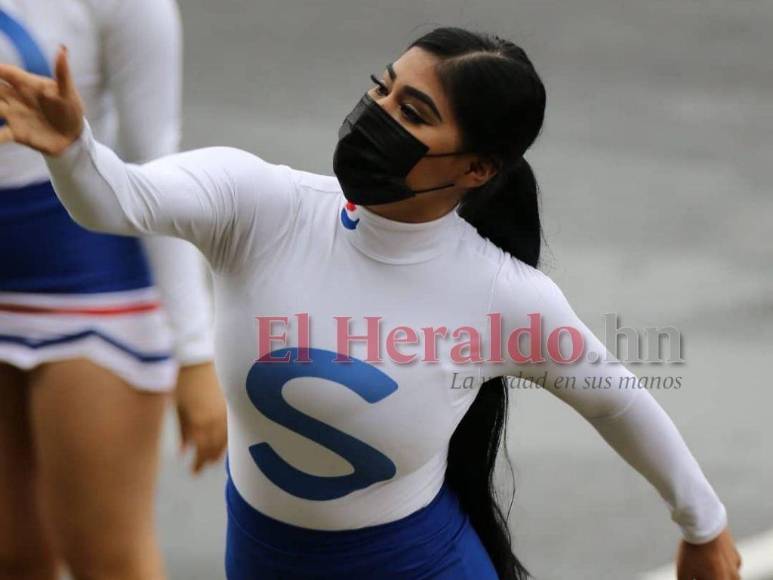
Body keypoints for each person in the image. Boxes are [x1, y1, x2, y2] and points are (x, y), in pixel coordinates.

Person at [0, 26, 743, 580]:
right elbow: (119, 200)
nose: (376, 114)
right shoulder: (260, 205)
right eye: (380, 89)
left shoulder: (504, 297)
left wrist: (703, 526)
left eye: (412, 112)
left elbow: (615, 401)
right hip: (261, 555)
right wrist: (74, 152)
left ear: (476, 168)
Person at [0, 1, 226, 579]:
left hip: (90, 290)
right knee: (12, 556)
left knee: (107, 561)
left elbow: (157, 162)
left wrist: (195, 352)